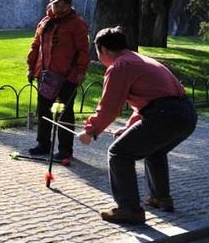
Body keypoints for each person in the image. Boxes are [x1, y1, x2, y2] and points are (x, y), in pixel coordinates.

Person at [77, 26, 198, 225]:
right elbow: (148, 102)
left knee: (118, 153)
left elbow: (109, 107)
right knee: (155, 150)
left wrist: (90, 131)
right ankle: (160, 198)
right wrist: (128, 128)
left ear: (104, 50)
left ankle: (129, 209)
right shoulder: (135, 59)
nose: (99, 57)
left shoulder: (119, 66)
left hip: (165, 115)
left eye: (97, 53)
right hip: (186, 114)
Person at [26, 0, 90, 161]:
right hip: (44, 75)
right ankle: (43, 144)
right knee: (43, 111)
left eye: (64, 4)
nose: (60, 8)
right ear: (51, 4)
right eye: (57, 4)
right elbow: (35, 46)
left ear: (69, 5)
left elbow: (83, 50)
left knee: (64, 113)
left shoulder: (77, 23)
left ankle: (65, 150)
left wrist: (81, 71)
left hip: (67, 77)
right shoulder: (45, 22)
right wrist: (31, 68)